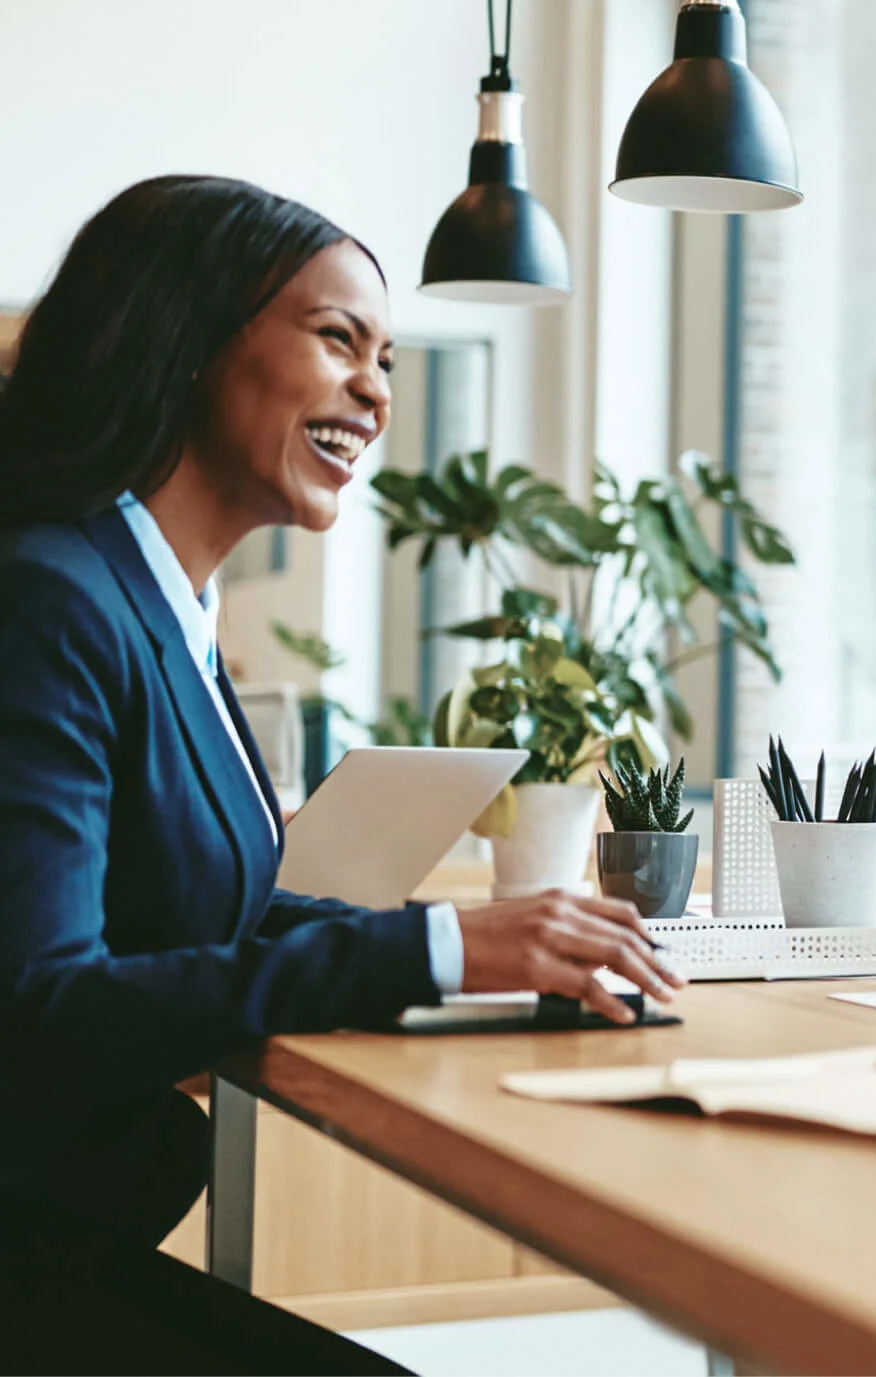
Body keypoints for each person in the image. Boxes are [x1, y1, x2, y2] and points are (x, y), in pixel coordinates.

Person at [0, 176, 682, 1371]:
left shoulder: (159, 602)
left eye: (391, 360)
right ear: (192, 339)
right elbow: (42, 1009)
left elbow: (199, 901)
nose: (376, 390)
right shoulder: (56, 595)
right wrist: (437, 952)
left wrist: (475, 945)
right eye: (338, 339)